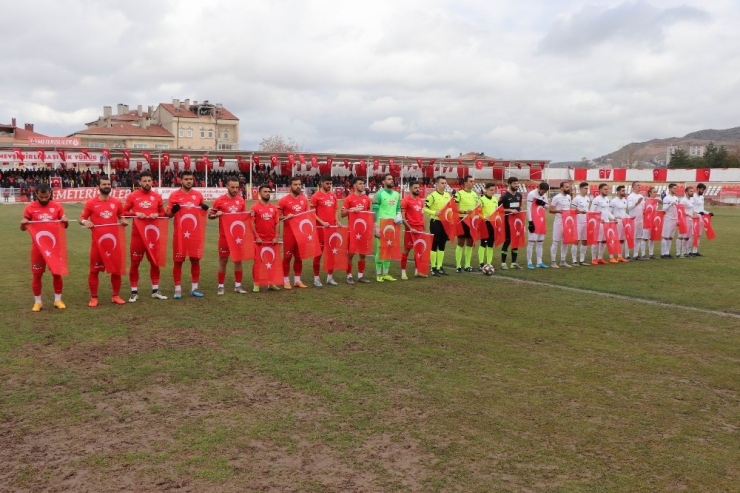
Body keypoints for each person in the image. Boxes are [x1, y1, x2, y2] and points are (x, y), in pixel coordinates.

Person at [79, 175, 129, 307]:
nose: (107, 186)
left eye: (108, 184)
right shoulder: (91, 203)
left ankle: (116, 296)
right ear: (98, 187)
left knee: (116, 270)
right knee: (94, 271)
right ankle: (94, 298)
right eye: (104, 184)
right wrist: (86, 222)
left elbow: (121, 216)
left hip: (113, 244)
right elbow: (81, 218)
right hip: (98, 244)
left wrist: (123, 221)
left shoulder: (117, 202)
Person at [20, 183, 69, 311]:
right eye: (41, 197)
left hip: (54, 247)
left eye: (46, 196)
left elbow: (64, 225)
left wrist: (66, 222)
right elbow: (23, 228)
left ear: (50, 194)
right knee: (37, 275)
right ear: (36, 194)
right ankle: (38, 302)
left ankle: (58, 300)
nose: (44, 199)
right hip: (38, 248)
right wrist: (23, 223)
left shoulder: (57, 207)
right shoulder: (30, 208)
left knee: (57, 274)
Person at [123, 171, 167, 302]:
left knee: (154, 262)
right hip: (137, 235)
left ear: (152, 181)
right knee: (135, 263)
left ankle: (155, 290)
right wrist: (135, 213)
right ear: (140, 182)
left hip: (153, 235)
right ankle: (134, 292)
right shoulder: (133, 196)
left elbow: (163, 212)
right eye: (145, 181)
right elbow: (123, 212)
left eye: (149, 181)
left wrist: (157, 215)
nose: (147, 183)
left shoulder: (157, 196)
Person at [166, 170, 209, 298]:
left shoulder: (198, 195)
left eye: (191, 179)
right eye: (186, 179)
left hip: (195, 234)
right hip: (180, 234)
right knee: (178, 261)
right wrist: (173, 210)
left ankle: (195, 288)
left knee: (195, 260)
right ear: (180, 180)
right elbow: (167, 215)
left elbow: (201, 212)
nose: (189, 181)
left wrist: (204, 209)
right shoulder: (174, 196)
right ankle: (177, 289)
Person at [209, 176, 247, 295]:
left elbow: (243, 217)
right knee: (223, 260)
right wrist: (216, 215)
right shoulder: (219, 201)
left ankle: (238, 286)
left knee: (238, 261)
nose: (235, 189)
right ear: (227, 187)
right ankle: (220, 286)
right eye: (232, 187)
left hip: (237, 237)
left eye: (237, 187)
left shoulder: (241, 200)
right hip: (224, 236)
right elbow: (210, 215)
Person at [277, 176, 309, 289]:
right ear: (290, 186)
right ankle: (285, 280)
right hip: (289, 234)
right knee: (287, 257)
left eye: (299, 184)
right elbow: (277, 217)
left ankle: (297, 280)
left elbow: (306, 217)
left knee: (299, 257)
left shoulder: (304, 200)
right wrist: (286, 217)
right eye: (295, 184)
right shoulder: (283, 201)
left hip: (300, 234)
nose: (298, 186)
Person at [250, 185, 281, 292]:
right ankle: (256, 284)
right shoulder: (254, 207)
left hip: (271, 240)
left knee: (272, 261)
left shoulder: (274, 208)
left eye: (269, 191)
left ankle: (271, 283)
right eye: (265, 191)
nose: (267, 193)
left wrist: (276, 236)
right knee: (258, 262)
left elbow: (277, 223)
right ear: (259, 193)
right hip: (259, 241)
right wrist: (257, 237)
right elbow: (252, 223)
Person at [310, 175, 339, 287]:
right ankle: (316, 278)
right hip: (320, 229)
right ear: (321, 183)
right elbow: (312, 213)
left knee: (332, 253)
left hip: (332, 229)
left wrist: (336, 221)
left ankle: (330, 277)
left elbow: (335, 210)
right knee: (318, 253)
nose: (329, 185)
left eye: (330, 184)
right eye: (327, 183)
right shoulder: (316, 196)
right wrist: (322, 222)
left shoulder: (333, 196)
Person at [372, 173, 402, 282]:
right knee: (381, 249)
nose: (391, 181)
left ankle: (386, 273)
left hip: (393, 226)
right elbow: (374, 211)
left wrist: (399, 215)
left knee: (389, 248)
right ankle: (378, 274)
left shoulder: (397, 194)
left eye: (392, 179)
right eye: (389, 179)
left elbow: (398, 207)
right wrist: (375, 226)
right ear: (383, 182)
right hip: (381, 224)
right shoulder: (378, 195)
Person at [342, 177, 372, 284]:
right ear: (354, 186)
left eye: (363, 184)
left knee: (363, 253)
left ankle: (360, 276)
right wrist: (351, 210)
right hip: (352, 231)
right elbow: (342, 214)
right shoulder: (348, 199)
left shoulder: (367, 199)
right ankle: (349, 275)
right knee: (350, 254)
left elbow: (368, 213)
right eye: (360, 184)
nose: (362, 185)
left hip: (363, 230)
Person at [423, 175, 452, 276]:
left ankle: (440, 267)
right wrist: (434, 212)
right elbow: (425, 209)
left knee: (442, 245)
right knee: (434, 244)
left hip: (445, 223)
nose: (444, 185)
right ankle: (433, 267)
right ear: (437, 184)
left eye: (445, 183)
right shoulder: (432, 196)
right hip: (436, 222)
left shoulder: (448, 195)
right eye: (442, 183)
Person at [453, 175, 480, 273]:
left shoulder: (475, 194)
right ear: (465, 183)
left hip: (472, 221)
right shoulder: (458, 194)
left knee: (469, 243)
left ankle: (467, 265)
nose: (473, 183)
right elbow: (454, 208)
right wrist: (464, 212)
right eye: (471, 181)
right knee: (460, 242)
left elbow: (477, 208)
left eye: (473, 181)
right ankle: (458, 265)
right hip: (462, 220)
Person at [400, 180, 426, 280]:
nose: (417, 189)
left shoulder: (420, 201)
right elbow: (402, 217)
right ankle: (403, 272)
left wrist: (424, 228)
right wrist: (410, 228)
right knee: (407, 250)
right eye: (415, 188)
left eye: (418, 188)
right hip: (410, 229)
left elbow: (422, 215)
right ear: (410, 188)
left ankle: (417, 271)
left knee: (419, 250)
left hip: (420, 229)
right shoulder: (405, 200)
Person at [499, 177, 523, 270]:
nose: (516, 185)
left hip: (516, 222)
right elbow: (499, 210)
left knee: (516, 241)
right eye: (514, 183)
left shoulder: (519, 195)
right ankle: (503, 263)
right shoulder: (504, 196)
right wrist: (510, 210)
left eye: (517, 183)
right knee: (507, 241)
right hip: (507, 221)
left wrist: (520, 211)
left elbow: (519, 206)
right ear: (509, 184)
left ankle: (513, 263)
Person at [526, 182, 550, 269]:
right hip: (534, 220)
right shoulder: (531, 194)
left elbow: (547, 206)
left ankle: (539, 262)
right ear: (539, 187)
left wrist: (543, 203)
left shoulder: (544, 195)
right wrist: (530, 222)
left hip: (541, 220)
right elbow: (528, 208)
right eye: (543, 191)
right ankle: (529, 262)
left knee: (540, 242)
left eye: (545, 192)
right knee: (531, 242)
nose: (543, 193)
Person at [549, 181, 572, 268]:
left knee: (565, 242)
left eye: (568, 187)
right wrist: (559, 211)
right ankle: (553, 261)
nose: (568, 188)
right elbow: (551, 210)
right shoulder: (556, 198)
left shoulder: (569, 197)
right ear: (561, 188)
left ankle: (563, 260)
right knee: (555, 241)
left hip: (567, 223)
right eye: (566, 187)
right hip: (559, 222)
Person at [589, 183, 614, 265]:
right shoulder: (596, 200)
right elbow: (592, 212)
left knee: (604, 241)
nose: (607, 191)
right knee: (596, 241)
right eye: (605, 189)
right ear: (600, 190)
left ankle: (600, 258)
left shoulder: (607, 199)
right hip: (598, 224)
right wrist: (599, 219)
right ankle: (593, 258)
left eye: (608, 189)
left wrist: (613, 218)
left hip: (606, 223)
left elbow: (606, 211)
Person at [478, 183, 498, 269]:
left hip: (493, 224)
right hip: (484, 224)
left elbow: (496, 211)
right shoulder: (481, 200)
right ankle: (481, 263)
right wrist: (483, 217)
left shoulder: (495, 199)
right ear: (486, 190)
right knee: (483, 243)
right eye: (491, 190)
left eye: (494, 190)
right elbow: (477, 212)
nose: (493, 192)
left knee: (490, 244)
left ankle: (489, 263)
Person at [571, 182, 591, 266]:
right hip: (578, 222)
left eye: (587, 188)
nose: (587, 190)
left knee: (585, 241)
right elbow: (572, 210)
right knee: (576, 241)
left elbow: (587, 210)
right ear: (581, 189)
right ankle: (574, 260)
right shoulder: (576, 199)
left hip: (586, 222)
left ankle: (582, 260)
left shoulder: (587, 198)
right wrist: (579, 212)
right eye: (585, 188)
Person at [609, 185, 629, 263]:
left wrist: (629, 217)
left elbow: (623, 212)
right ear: (618, 192)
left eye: (624, 190)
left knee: (621, 240)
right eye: (623, 191)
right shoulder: (613, 201)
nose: (624, 192)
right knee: (614, 240)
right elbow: (608, 212)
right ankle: (611, 257)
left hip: (623, 223)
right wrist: (613, 218)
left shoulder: (624, 200)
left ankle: (620, 256)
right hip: (616, 223)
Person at [691, 183, 711, 257]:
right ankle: (689, 251)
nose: (703, 191)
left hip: (701, 218)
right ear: (698, 189)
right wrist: (698, 213)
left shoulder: (702, 197)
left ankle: (695, 251)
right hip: (694, 217)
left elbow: (702, 209)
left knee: (699, 235)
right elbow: (691, 208)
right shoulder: (693, 196)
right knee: (693, 235)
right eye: (702, 190)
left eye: (704, 190)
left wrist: (708, 213)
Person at [677, 186, 697, 259]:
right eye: (691, 191)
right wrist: (689, 215)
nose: (692, 192)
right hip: (684, 220)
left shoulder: (692, 200)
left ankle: (685, 252)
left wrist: (695, 214)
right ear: (686, 192)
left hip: (690, 220)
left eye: (693, 191)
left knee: (687, 237)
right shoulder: (683, 200)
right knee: (681, 237)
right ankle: (678, 253)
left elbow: (692, 209)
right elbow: (681, 211)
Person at [627, 181, 645, 261]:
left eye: (640, 185)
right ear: (633, 187)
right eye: (637, 185)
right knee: (631, 237)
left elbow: (643, 208)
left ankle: (636, 254)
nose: (639, 187)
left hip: (640, 219)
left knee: (638, 237)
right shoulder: (630, 196)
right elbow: (629, 208)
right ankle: (627, 255)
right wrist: (637, 203)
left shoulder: (641, 196)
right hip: (633, 219)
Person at [661, 183, 679, 259]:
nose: (676, 190)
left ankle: (667, 252)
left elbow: (678, 209)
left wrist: (678, 219)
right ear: (670, 188)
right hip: (668, 219)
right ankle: (663, 253)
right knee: (665, 236)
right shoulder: (666, 198)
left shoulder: (676, 198)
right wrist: (670, 204)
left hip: (674, 219)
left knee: (670, 237)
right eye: (674, 188)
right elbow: (664, 209)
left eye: (676, 188)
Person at [642, 187, 658, 260]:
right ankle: (643, 254)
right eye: (654, 192)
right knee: (645, 238)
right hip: (646, 221)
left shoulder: (656, 201)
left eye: (656, 192)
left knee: (652, 238)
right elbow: (642, 211)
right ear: (650, 193)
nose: (655, 193)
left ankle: (651, 254)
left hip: (653, 221)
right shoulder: (645, 201)